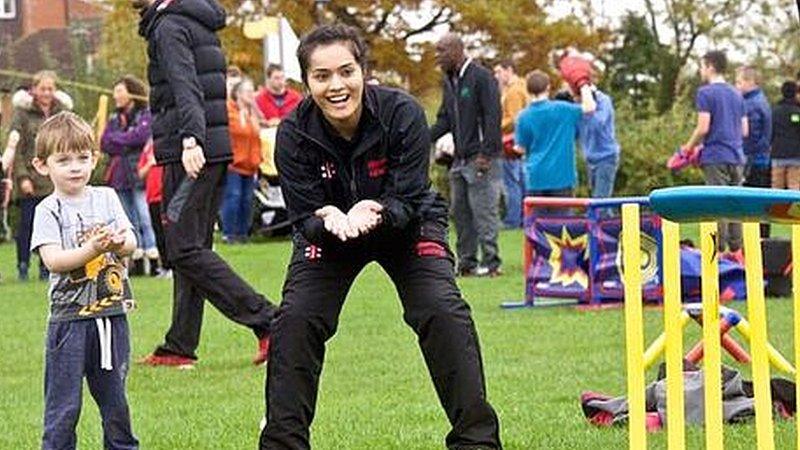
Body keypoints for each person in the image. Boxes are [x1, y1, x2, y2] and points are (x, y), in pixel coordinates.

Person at [260, 24, 501, 449]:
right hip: (331, 231)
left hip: (404, 225)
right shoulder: (293, 133)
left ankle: (476, 442)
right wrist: (330, 217)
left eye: (346, 71)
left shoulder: (402, 113)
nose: (336, 85)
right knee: (295, 320)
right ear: (307, 82)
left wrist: (377, 210)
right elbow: (303, 215)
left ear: (363, 71)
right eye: (322, 76)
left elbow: (407, 199)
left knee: (441, 310)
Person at [135, 0, 277, 367]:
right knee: (193, 247)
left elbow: (186, 86)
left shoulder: (169, 26)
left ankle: (270, 321)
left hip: (192, 151)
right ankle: (180, 344)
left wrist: (190, 140)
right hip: (212, 148)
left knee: (183, 249)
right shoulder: (193, 20)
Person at [30, 112, 139, 450]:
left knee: (116, 404)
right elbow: (54, 260)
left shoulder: (106, 197)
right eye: (64, 160)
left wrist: (118, 243)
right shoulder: (48, 209)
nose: (75, 166)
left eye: (83, 157)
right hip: (69, 323)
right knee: (64, 407)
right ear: (42, 165)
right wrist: (91, 248)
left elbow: (131, 244)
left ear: (95, 158)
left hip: (111, 319)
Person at [430, 33, 503, 277]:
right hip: (458, 160)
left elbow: (493, 117)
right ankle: (467, 263)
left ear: (457, 50)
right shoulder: (449, 81)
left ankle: (492, 263)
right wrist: (422, 137)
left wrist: (486, 154)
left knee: (484, 212)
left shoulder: (481, 77)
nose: (438, 56)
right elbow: (444, 119)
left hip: (480, 158)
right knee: (460, 214)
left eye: (442, 51)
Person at [2, 71, 71, 281]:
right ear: (34, 90)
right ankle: (23, 264)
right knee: (28, 224)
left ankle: (46, 266)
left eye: (50, 89)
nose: (47, 93)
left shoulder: (61, 113)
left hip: (55, 179)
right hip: (31, 178)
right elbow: (18, 150)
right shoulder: (22, 114)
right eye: (43, 88)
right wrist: (22, 178)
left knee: (53, 225)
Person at [681, 50, 747, 253]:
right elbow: (744, 130)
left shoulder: (705, 93)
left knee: (717, 204)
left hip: (715, 156)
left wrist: (688, 147)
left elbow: (703, 127)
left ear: (710, 66)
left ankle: (717, 251)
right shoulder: (737, 93)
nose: (700, 70)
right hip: (737, 155)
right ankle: (737, 251)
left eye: (702, 66)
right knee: (735, 205)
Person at [513, 70, 596, 215]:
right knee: (561, 226)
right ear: (548, 87)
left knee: (538, 227)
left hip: (536, 177)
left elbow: (520, 148)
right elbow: (589, 107)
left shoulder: (523, 116)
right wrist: (583, 84)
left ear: (528, 89)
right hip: (561, 176)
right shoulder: (562, 109)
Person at [101, 75, 159, 275]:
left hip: (139, 174)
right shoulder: (114, 119)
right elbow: (105, 142)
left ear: (131, 92)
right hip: (120, 176)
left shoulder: (145, 115)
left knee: (145, 217)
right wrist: (126, 139)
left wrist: (120, 140)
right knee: (128, 219)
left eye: (119, 91)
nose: (115, 96)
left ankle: (153, 259)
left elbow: (141, 137)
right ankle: (135, 259)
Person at [221, 78, 263, 243]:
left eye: (252, 91)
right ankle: (229, 233)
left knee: (247, 200)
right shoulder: (230, 112)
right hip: (234, 164)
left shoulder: (253, 113)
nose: (251, 95)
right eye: (248, 92)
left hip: (250, 164)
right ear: (238, 94)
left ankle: (243, 233)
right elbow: (234, 132)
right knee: (233, 197)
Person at [493, 59, 528, 228]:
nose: (497, 76)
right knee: (519, 180)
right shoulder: (521, 87)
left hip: (509, 141)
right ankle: (522, 217)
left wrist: (494, 126)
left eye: (499, 72)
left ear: (509, 70)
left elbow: (514, 118)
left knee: (511, 182)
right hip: (519, 140)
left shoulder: (514, 92)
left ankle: (513, 219)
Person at [137, 138, 170, 277]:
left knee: (168, 232)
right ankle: (165, 267)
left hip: (166, 196)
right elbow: (140, 173)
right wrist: (150, 163)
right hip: (152, 197)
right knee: (158, 233)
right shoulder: (148, 147)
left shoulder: (169, 145)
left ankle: (174, 267)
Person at [771, 81, 800, 190]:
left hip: (778, 154)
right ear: (795, 93)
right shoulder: (797, 112)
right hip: (796, 156)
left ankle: (776, 207)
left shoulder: (774, 111)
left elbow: (770, 131)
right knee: (795, 188)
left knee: (776, 189)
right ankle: (795, 207)